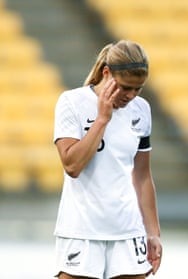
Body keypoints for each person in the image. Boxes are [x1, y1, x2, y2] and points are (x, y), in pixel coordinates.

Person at [53, 40, 162, 279]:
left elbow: (142, 176)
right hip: (81, 231)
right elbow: (72, 166)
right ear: (106, 73)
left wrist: (153, 232)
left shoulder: (141, 110)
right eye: (125, 87)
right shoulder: (72, 103)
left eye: (138, 89)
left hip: (127, 231)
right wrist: (102, 119)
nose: (131, 96)